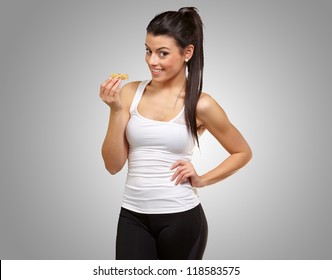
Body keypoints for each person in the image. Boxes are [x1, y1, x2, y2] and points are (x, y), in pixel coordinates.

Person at [99, 7, 252, 260]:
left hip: (182, 218)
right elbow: (112, 165)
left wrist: (202, 179)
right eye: (148, 50)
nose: (152, 61)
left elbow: (242, 152)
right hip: (132, 216)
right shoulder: (129, 94)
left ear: (187, 53)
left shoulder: (201, 105)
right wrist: (115, 111)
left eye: (163, 53)